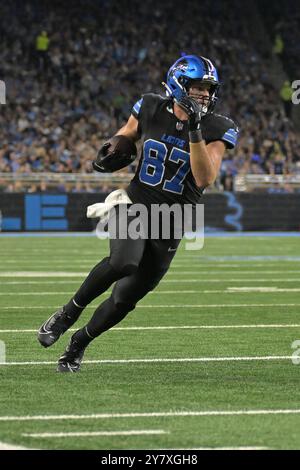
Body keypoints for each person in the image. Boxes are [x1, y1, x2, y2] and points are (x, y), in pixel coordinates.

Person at [37, 54, 239, 372]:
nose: (205, 95)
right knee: (123, 261)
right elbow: (125, 136)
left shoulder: (217, 128)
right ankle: (67, 313)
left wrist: (195, 131)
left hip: (171, 221)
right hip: (134, 205)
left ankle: (78, 344)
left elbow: (204, 178)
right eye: (198, 88)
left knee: (124, 299)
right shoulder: (149, 106)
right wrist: (111, 151)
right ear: (178, 84)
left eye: (208, 89)